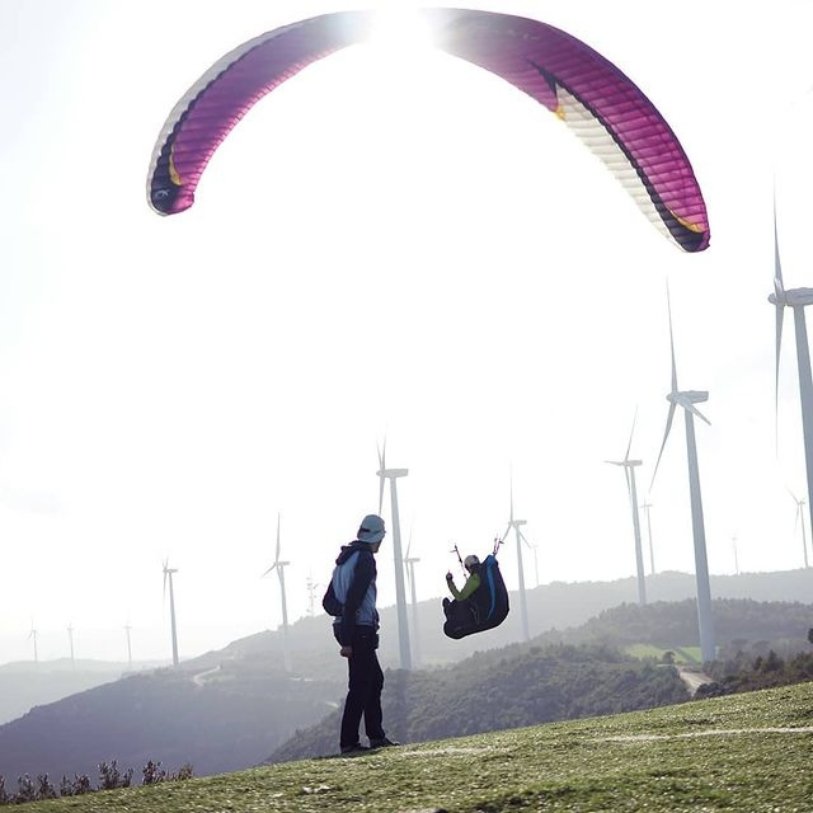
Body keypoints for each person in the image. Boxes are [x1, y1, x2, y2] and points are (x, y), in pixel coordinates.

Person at [329, 513, 399, 755]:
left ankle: (375, 735)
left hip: (345, 626)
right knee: (360, 684)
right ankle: (350, 741)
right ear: (377, 537)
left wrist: (343, 620)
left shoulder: (343, 560)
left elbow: (329, 602)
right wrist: (349, 637)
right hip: (358, 629)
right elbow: (355, 599)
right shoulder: (366, 559)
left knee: (373, 680)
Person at [443, 554, 482, 621]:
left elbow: (460, 597)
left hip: (476, 609)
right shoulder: (482, 574)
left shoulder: (474, 579)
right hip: (480, 603)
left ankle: (451, 617)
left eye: (466, 567)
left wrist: (450, 581)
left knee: (453, 603)